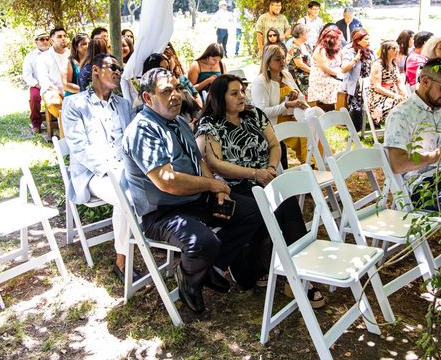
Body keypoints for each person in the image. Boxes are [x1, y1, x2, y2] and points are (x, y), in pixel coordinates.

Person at [122, 68, 265, 313]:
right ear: (148, 98)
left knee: (254, 210)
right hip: (163, 213)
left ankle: (211, 266)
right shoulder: (143, 130)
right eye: (166, 91)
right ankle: (190, 278)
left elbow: (197, 161)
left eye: (177, 88)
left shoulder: (178, 121)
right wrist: (212, 184)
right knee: (202, 242)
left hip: (196, 200)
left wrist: (217, 189)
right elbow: (168, 182)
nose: (176, 95)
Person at [195, 74, 325, 308]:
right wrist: (255, 174)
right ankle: (267, 269)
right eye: (234, 93)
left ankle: (297, 274)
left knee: (285, 201)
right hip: (230, 186)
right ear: (219, 98)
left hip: (265, 176)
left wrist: (270, 169)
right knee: (273, 207)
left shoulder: (254, 114)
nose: (241, 96)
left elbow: (275, 145)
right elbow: (216, 164)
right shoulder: (210, 124)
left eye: (242, 91)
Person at [61, 53, 135, 283]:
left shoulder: (123, 104)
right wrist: (113, 171)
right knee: (127, 198)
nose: (117, 72)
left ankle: (151, 240)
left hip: (125, 169)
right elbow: (80, 148)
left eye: (120, 70)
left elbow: (131, 141)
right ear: (95, 70)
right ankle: (122, 262)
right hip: (94, 174)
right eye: (112, 67)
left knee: (156, 185)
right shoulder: (74, 104)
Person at [384, 57, 441, 210]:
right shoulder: (401, 115)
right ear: (425, 81)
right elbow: (398, 164)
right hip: (422, 187)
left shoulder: (440, 111)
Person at [251, 44, 309, 167]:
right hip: (272, 124)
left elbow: (299, 93)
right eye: (278, 59)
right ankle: (309, 164)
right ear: (268, 61)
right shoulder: (260, 82)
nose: (282, 62)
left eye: (283, 58)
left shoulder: (286, 74)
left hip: (293, 118)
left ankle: (312, 165)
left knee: (311, 130)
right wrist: (286, 105)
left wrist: (295, 93)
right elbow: (262, 112)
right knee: (304, 135)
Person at [307, 25, 348, 111]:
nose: (340, 40)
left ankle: (348, 111)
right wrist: (339, 74)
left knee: (349, 83)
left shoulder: (337, 49)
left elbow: (344, 61)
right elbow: (325, 68)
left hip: (336, 76)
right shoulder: (320, 50)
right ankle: (339, 115)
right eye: (338, 39)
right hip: (322, 78)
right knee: (338, 85)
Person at [342, 28, 376, 129]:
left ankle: (373, 120)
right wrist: (355, 60)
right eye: (366, 39)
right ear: (358, 41)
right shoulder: (350, 52)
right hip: (356, 86)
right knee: (356, 119)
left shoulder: (371, 53)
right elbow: (343, 69)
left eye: (369, 39)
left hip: (369, 84)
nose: (368, 42)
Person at [367, 40, 406, 126]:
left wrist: (403, 92)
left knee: (408, 102)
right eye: (394, 48)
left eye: (397, 48)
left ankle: (402, 130)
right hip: (378, 97)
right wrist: (394, 95)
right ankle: (396, 130)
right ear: (385, 50)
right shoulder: (377, 64)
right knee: (399, 105)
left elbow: (399, 81)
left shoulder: (394, 64)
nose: (397, 50)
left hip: (392, 94)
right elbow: (377, 87)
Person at [37, 26, 69, 123]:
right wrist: (59, 91)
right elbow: (44, 80)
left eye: (64, 36)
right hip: (51, 90)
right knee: (55, 102)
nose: (63, 38)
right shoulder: (44, 57)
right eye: (59, 36)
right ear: (51, 40)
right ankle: (65, 127)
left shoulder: (71, 54)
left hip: (70, 88)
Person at [22, 31, 51, 133]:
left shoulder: (54, 53)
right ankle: (36, 123)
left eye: (47, 39)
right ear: (36, 42)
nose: (45, 42)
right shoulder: (30, 56)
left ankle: (57, 119)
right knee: (34, 97)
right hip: (37, 85)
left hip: (53, 84)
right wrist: (38, 85)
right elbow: (27, 75)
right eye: (42, 39)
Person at [164, 43, 202, 108]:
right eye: (165, 59)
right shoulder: (164, 83)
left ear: (174, 58)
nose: (168, 62)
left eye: (169, 58)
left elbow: (195, 93)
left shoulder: (182, 78)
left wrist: (199, 109)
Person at [286, 24, 312, 95]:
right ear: (300, 35)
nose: (308, 34)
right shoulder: (295, 47)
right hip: (299, 76)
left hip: (307, 74)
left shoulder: (306, 45)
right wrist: (312, 71)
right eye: (307, 32)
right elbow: (299, 64)